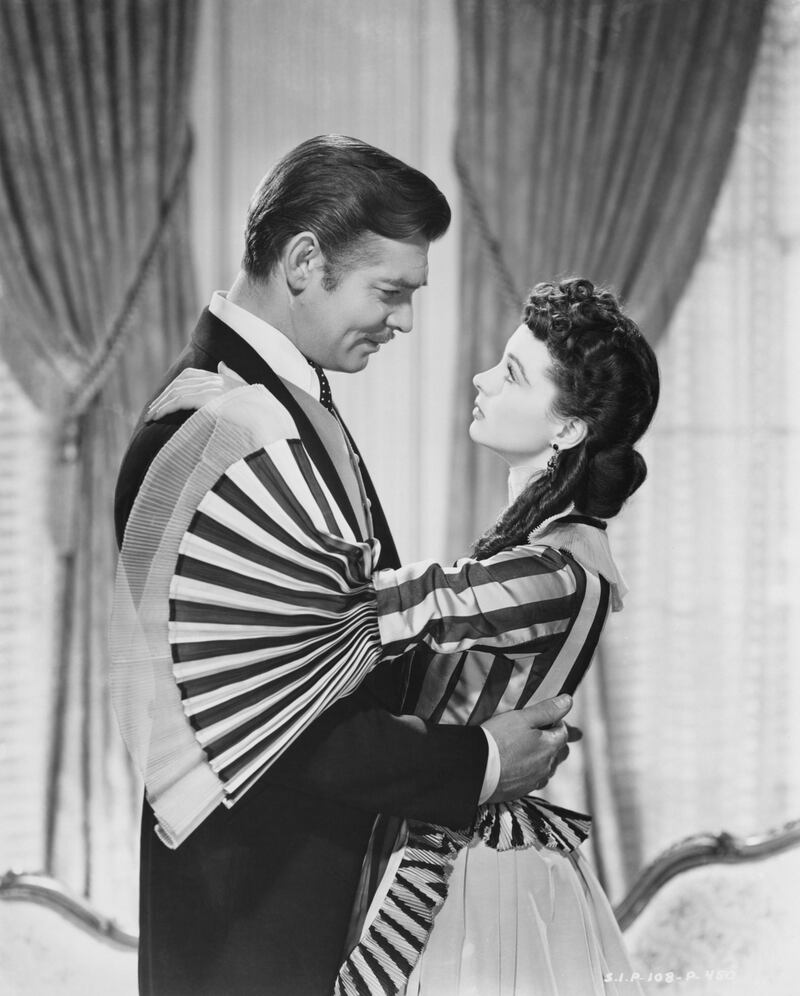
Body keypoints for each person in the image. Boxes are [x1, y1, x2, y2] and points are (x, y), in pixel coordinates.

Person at [112, 135, 576, 996]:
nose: (403, 321)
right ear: (303, 261)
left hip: (301, 917)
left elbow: (330, 655)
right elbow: (295, 734)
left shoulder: (280, 403)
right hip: (251, 938)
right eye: (389, 292)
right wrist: (476, 761)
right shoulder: (212, 428)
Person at [146, 277, 659, 996]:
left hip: (465, 875)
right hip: (443, 839)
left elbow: (375, 605)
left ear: (567, 428)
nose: (483, 379)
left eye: (511, 374)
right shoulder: (560, 553)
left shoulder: (555, 571)